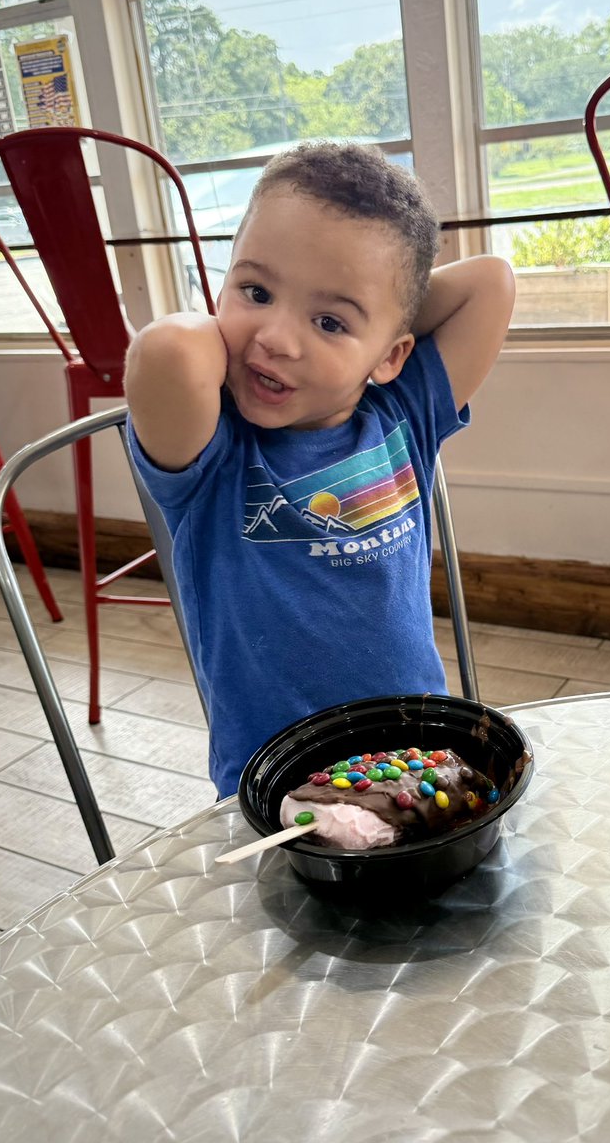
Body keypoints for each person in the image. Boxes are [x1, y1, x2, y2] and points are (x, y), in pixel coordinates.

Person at [125, 141, 515, 798]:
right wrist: (353, 323)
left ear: (392, 356)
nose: (276, 338)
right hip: (277, 783)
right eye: (255, 290)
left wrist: (381, 313)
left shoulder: (403, 409)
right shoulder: (212, 451)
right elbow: (168, 349)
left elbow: (492, 281)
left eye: (328, 320)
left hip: (417, 762)